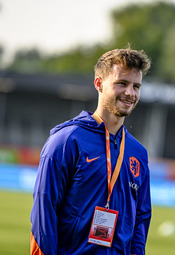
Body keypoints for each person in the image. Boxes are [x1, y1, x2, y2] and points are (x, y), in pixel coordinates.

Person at [30, 47, 152, 254]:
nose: (130, 93)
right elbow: (44, 211)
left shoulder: (138, 153)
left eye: (136, 86)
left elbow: (141, 219)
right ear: (99, 84)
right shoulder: (66, 141)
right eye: (121, 83)